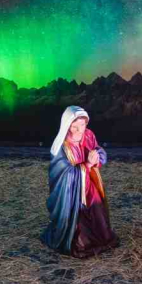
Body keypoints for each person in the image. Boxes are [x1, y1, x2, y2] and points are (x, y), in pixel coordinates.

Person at [41, 106, 118, 258]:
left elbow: (97, 149)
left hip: (90, 184)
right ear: (67, 125)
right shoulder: (62, 147)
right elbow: (62, 175)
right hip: (72, 193)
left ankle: (101, 237)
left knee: (98, 211)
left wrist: (97, 156)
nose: (79, 130)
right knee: (80, 228)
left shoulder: (88, 135)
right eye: (74, 126)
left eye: (82, 125)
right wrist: (87, 165)